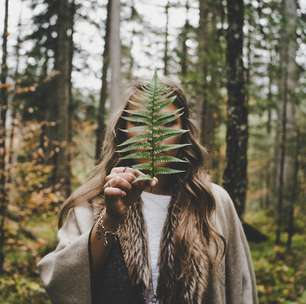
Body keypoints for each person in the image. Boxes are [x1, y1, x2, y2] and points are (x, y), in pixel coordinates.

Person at [37, 79, 259, 304]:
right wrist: (111, 219)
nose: (155, 132)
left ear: (184, 131)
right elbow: (62, 281)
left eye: (167, 122)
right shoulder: (95, 200)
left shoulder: (213, 201)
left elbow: (241, 288)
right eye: (140, 121)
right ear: (123, 131)